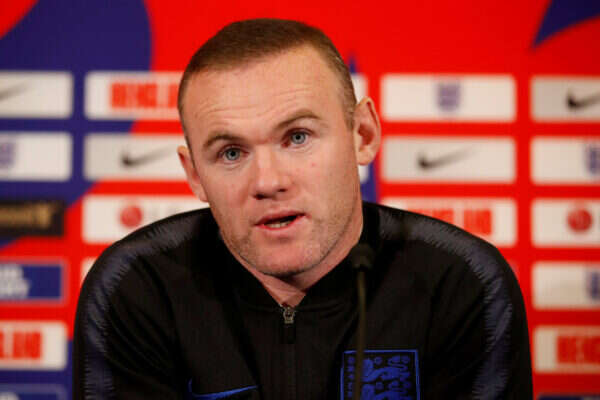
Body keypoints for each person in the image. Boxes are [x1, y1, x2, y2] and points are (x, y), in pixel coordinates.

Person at [73, 18, 532, 399]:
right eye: (231, 153)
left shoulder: (460, 283)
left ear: (363, 135)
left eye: (297, 137)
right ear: (195, 176)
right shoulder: (138, 290)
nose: (268, 182)